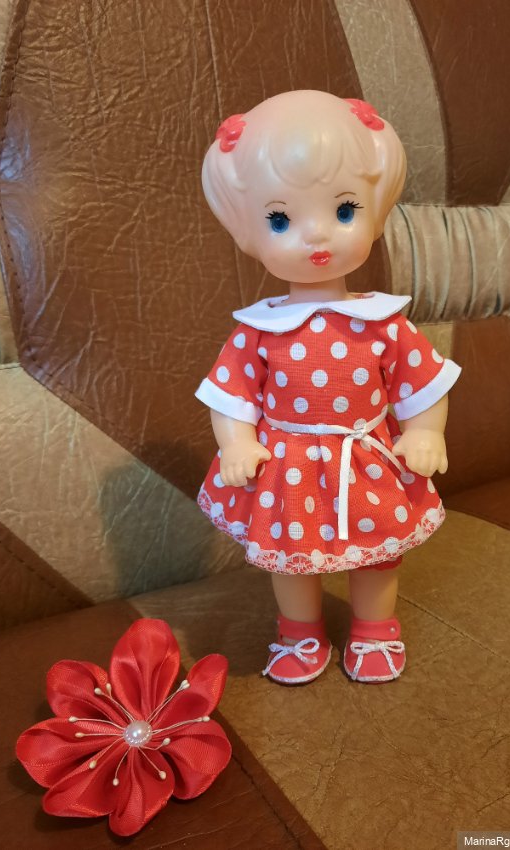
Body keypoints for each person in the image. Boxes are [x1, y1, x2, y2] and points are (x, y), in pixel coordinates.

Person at [195, 90, 462, 685]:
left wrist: (426, 431)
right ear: (248, 232)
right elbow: (230, 395)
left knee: (378, 554)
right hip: (286, 465)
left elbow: (424, 381)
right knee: (291, 560)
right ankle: (299, 634)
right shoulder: (259, 330)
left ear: (376, 210)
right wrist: (237, 442)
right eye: (281, 220)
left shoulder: (383, 322)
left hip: (366, 456)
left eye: (344, 211)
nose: (316, 237)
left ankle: (375, 629)